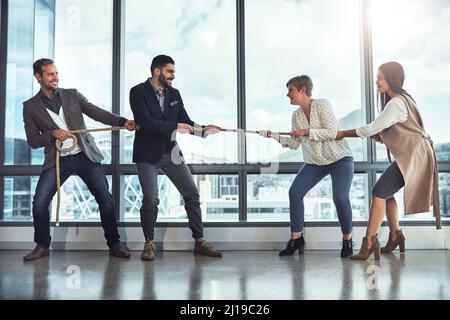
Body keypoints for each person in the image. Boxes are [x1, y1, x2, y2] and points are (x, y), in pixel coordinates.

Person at [22, 58, 136, 261]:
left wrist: (122, 121)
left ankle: (114, 244)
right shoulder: (30, 107)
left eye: (56, 73)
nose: (56, 77)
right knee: (39, 202)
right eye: (50, 74)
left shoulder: (71, 95)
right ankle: (42, 246)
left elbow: (95, 112)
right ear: (38, 77)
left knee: (105, 200)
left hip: (85, 155)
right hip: (57, 160)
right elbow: (32, 140)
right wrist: (52, 134)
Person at [336, 61, 441, 260]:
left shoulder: (395, 103)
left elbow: (371, 128)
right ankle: (395, 235)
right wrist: (380, 134)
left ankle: (368, 242)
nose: (376, 81)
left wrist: (343, 133)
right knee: (387, 193)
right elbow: (396, 128)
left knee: (378, 192)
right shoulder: (404, 99)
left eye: (380, 77)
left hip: (413, 156)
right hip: (415, 155)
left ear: (392, 79)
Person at [129, 54, 223, 260]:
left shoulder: (175, 94)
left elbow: (185, 121)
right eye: (170, 71)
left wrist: (204, 130)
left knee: (192, 193)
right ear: (157, 71)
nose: (173, 76)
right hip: (146, 154)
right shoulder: (137, 92)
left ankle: (199, 241)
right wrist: (175, 127)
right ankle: (149, 243)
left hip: (171, 151)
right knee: (151, 200)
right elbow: (145, 122)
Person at [260, 75, 355, 258]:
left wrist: (306, 131)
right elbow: (295, 143)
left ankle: (347, 239)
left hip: (339, 157)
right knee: (295, 193)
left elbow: (332, 133)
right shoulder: (296, 116)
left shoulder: (322, 105)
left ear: (303, 90)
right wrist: (273, 136)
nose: (288, 94)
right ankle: (296, 239)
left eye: (291, 90)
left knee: (340, 198)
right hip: (315, 161)